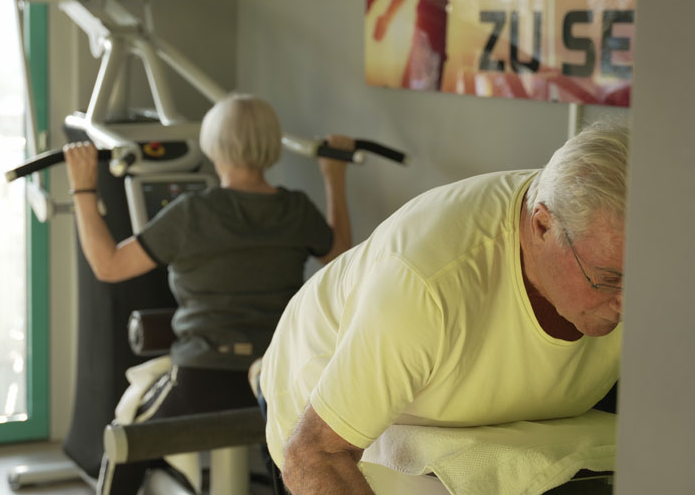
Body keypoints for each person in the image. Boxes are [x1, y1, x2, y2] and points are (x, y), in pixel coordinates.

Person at [258, 119, 629, 494]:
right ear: (542, 226)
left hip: (495, 404)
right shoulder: (425, 284)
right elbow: (314, 454)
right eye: (609, 279)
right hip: (324, 410)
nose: (631, 302)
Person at [63, 93, 353, 494]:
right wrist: (334, 177)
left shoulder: (191, 213)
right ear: (271, 145)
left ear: (213, 145)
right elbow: (341, 255)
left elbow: (108, 265)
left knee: (126, 439)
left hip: (202, 380)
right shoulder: (297, 210)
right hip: (273, 380)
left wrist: (82, 190)